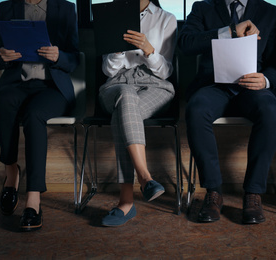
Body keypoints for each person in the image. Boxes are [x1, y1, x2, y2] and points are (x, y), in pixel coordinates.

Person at [178, 0, 276, 224]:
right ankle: (213, 192)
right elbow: (186, 43)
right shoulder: (202, 8)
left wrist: (265, 79)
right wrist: (229, 31)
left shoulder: (271, 12)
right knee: (196, 109)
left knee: (269, 109)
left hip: (252, 86)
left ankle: (253, 194)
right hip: (213, 86)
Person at [0, 0, 79, 231]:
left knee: (34, 115)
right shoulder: (6, 8)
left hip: (52, 87)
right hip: (16, 83)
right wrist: (3, 56)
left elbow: (75, 59)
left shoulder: (66, 8)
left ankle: (33, 199)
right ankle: (11, 174)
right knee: (2, 101)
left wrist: (59, 56)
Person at [98, 0, 177, 227]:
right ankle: (145, 177)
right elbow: (107, 70)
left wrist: (149, 50)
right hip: (116, 84)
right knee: (126, 95)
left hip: (155, 86)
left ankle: (126, 202)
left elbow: (166, 71)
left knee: (122, 112)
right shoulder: (111, 15)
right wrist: (118, 49)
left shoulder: (166, 18)